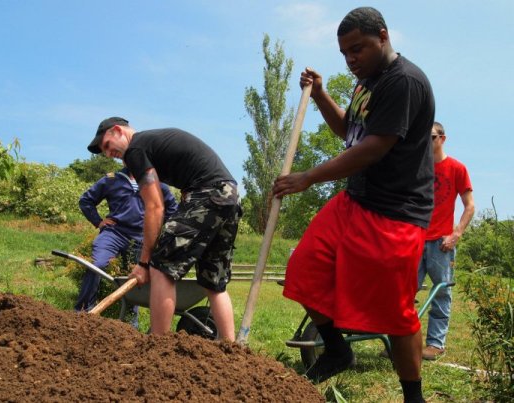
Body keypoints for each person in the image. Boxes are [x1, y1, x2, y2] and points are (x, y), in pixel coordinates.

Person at [272, 7, 434, 403]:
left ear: (383, 35)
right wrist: (323, 93)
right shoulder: (366, 81)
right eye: (344, 52)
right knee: (303, 270)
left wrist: (307, 177)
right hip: (354, 201)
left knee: (396, 314)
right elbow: (351, 130)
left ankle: (413, 396)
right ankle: (338, 350)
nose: (351, 59)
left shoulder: (404, 82)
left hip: (395, 213)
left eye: (357, 49)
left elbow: (374, 148)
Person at [87, 117, 241, 341]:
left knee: (161, 266)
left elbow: (155, 206)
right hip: (229, 197)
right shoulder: (152, 143)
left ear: (118, 131)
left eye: (107, 146)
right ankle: (230, 348)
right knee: (213, 280)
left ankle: (158, 346)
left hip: (206, 196)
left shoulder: (135, 149)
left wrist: (144, 263)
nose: (109, 154)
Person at [75, 167, 178, 327]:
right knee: (98, 265)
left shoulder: (157, 183)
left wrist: (159, 232)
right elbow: (86, 201)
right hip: (114, 233)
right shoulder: (111, 179)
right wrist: (98, 221)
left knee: (135, 277)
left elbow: (172, 210)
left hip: (140, 238)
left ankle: (130, 322)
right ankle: (82, 311)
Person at [418, 121, 474, 360]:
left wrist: (456, 233)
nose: (426, 142)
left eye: (430, 137)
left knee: (441, 293)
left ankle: (435, 345)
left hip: (441, 243)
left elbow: (469, 206)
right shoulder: (416, 169)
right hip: (414, 239)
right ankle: (399, 343)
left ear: (442, 139)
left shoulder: (456, 168)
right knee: (403, 292)